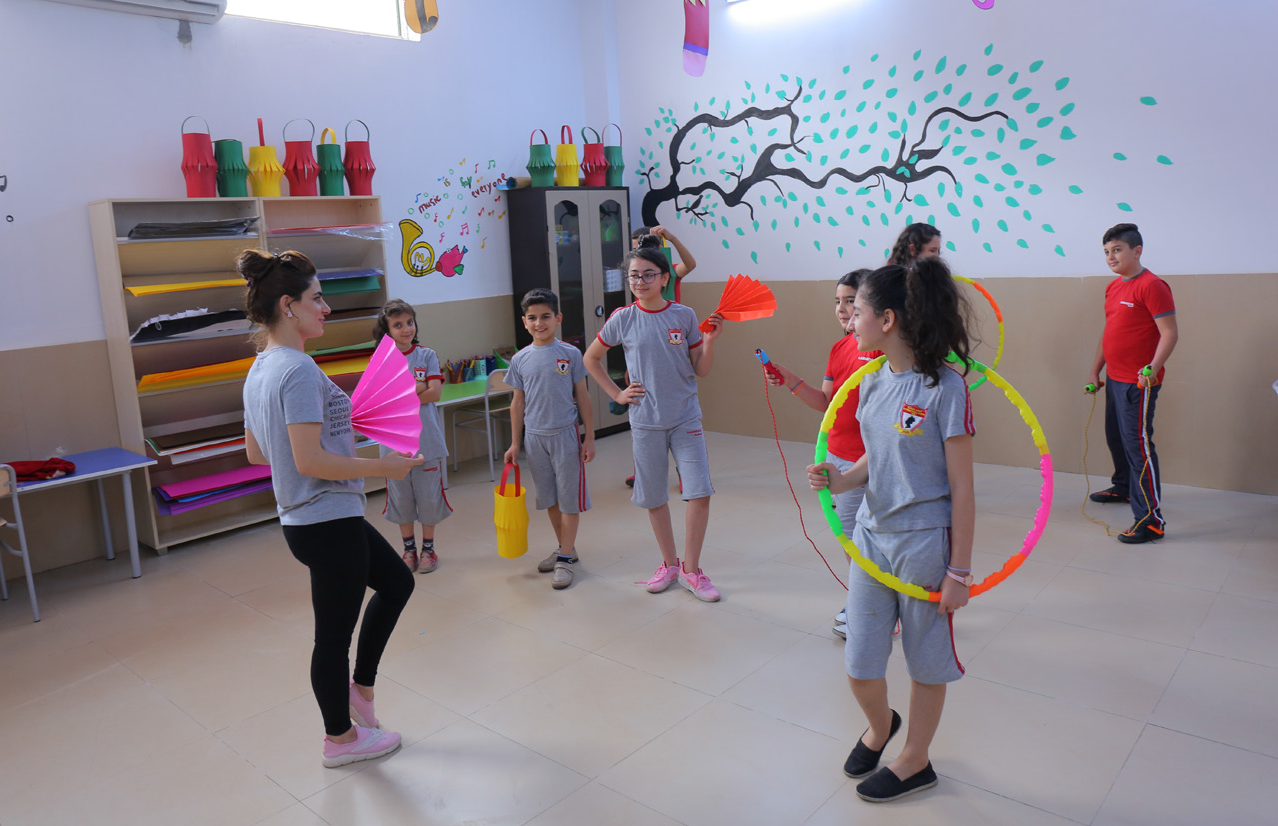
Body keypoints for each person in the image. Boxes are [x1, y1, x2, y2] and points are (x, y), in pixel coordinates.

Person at [239, 250, 422, 768]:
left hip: (317, 517)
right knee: (333, 639)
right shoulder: (296, 369)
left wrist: (334, 444)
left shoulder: (260, 367)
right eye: (317, 298)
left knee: (397, 583)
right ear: (288, 305)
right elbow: (309, 460)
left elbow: (257, 453)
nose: (326, 307)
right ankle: (339, 740)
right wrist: (382, 468)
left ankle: (360, 690)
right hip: (324, 518)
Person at [807, 257, 976, 803]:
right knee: (860, 663)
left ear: (886, 319)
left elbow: (963, 489)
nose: (848, 319)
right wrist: (840, 480)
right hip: (871, 539)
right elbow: (875, 460)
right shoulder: (871, 381)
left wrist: (959, 572)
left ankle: (916, 759)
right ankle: (881, 727)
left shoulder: (945, 388)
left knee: (925, 662)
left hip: (925, 542)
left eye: (855, 310)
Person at [584, 235, 724, 601]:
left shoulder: (684, 315)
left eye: (648, 275)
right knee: (653, 496)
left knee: (700, 492)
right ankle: (669, 565)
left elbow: (701, 370)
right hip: (645, 422)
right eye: (634, 275)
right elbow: (590, 358)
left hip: (685, 418)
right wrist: (617, 394)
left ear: (664, 278)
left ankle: (692, 570)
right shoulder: (623, 318)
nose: (640, 281)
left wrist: (710, 342)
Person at [766, 269, 879, 639]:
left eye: (851, 301)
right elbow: (828, 403)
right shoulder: (839, 348)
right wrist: (791, 380)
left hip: (873, 459)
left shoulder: (882, 350)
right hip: (839, 456)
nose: (842, 309)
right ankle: (868, 599)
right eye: (838, 301)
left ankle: (876, 606)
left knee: (871, 537)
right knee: (850, 536)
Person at [1086, 223, 1177, 544]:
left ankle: (1151, 521)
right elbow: (1110, 332)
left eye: (1117, 250)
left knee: (1139, 448)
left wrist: (1152, 369)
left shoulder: (1152, 286)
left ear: (1137, 251)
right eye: (1106, 252)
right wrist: (1095, 370)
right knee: (1116, 439)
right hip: (1114, 378)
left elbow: (1169, 333)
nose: (1111, 257)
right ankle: (1124, 487)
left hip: (1138, 384)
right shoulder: (1113, 287)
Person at [503, 288, 596, 589]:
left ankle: (564, 559)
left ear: (558, 318)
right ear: (524, 322)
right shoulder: (520, 359)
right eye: (532, 318)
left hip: (565, 436)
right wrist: (515, 443)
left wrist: (589, 437)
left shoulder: (570, 354)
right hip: (535, 439)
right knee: (550, 498)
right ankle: (565, 548)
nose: (538, 323)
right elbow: (517, 403)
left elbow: (583, 396)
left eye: (545, 317)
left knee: (569, 499)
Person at [372, 299, 451, 572]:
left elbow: (435, 393)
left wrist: (402, 395)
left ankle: (428, 549)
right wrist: (417, 386)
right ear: (387, 330)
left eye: (410, 322)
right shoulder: (382, 359)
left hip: (426, 441)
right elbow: (381, 402)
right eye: (398, 325)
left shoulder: (427, 355)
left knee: (429, 497)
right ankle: (408, 550)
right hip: (393, 444)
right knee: (401, 499)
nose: (406, 329)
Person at [623, 226, 698, 487]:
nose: (639, 253)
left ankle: (686, 470)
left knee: (678, 419)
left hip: (672, 353)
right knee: (642, 414)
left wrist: (672, 238)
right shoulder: (638, 282)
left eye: (645, 246)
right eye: (636, 248)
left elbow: (690, 265)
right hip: (645, 354)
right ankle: (643, 470)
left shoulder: (668, 273)